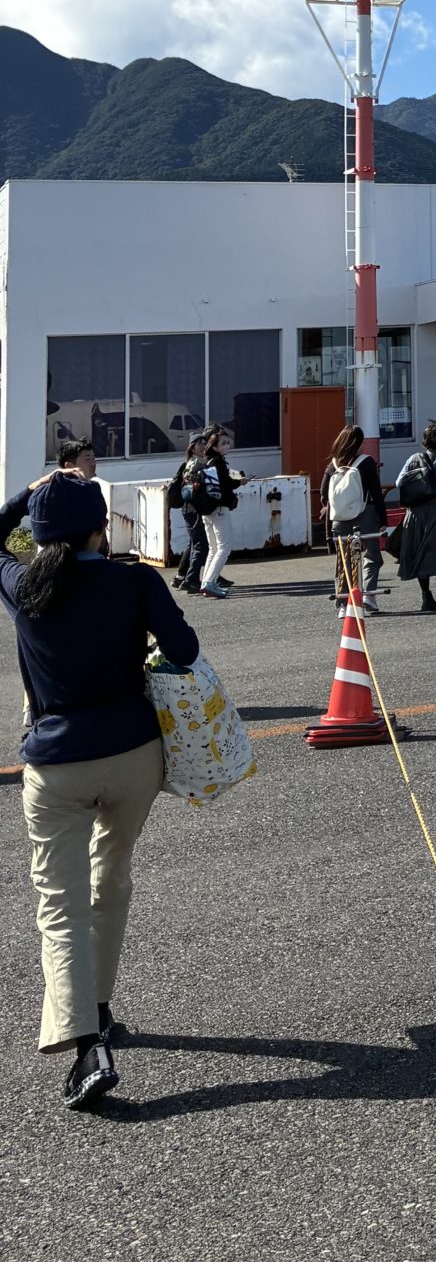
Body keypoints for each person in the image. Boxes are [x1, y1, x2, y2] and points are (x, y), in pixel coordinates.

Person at [1, 439, 199, 1111]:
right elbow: (185, 650)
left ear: (39, 533)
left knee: (58, 903)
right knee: (110, 877)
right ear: (98, 528)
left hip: (56, 764)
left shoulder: (23, 587)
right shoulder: (135, 580)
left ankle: (88, 1043)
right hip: (134, 755)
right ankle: (103, 1004)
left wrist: (32, 493)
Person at [393, 421, 436, 612]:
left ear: (425, 440)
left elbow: (399, 482)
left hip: (416, 513)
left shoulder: (414, 458)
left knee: (420, 552)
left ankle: (426, 595)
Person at [324, 423, 388, 611]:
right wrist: (383, 521)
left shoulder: (332, 464)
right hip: (365, 515)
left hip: (339, 518)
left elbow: (322, 494)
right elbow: (377, 494)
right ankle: (369, 596)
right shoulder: (366, 462)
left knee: (344, 560)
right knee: (371, 556)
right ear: (359, 442)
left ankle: (344, 603)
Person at [195, 427, 249, 600]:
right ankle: (210, 583)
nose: (228, 445)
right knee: (224, 546)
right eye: (224, 443)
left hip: (207, 510)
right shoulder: (218, 462)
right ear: (215, 447)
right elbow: (225, 485)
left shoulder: (207, 461)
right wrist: (240, 482)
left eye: (228, 442)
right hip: (219, 508)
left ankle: (207, 582)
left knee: (213, 547)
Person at [167, 434, 210, 593]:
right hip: (193, 509)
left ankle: (180, 577)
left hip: (191, 509)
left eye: (205, 443)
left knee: (193, 543)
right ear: (192, 447)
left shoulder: (200, 462)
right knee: (200, 545)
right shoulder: (194, 464)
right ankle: (191, 579)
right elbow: (192, 487)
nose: (203, 446)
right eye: (199, 443)